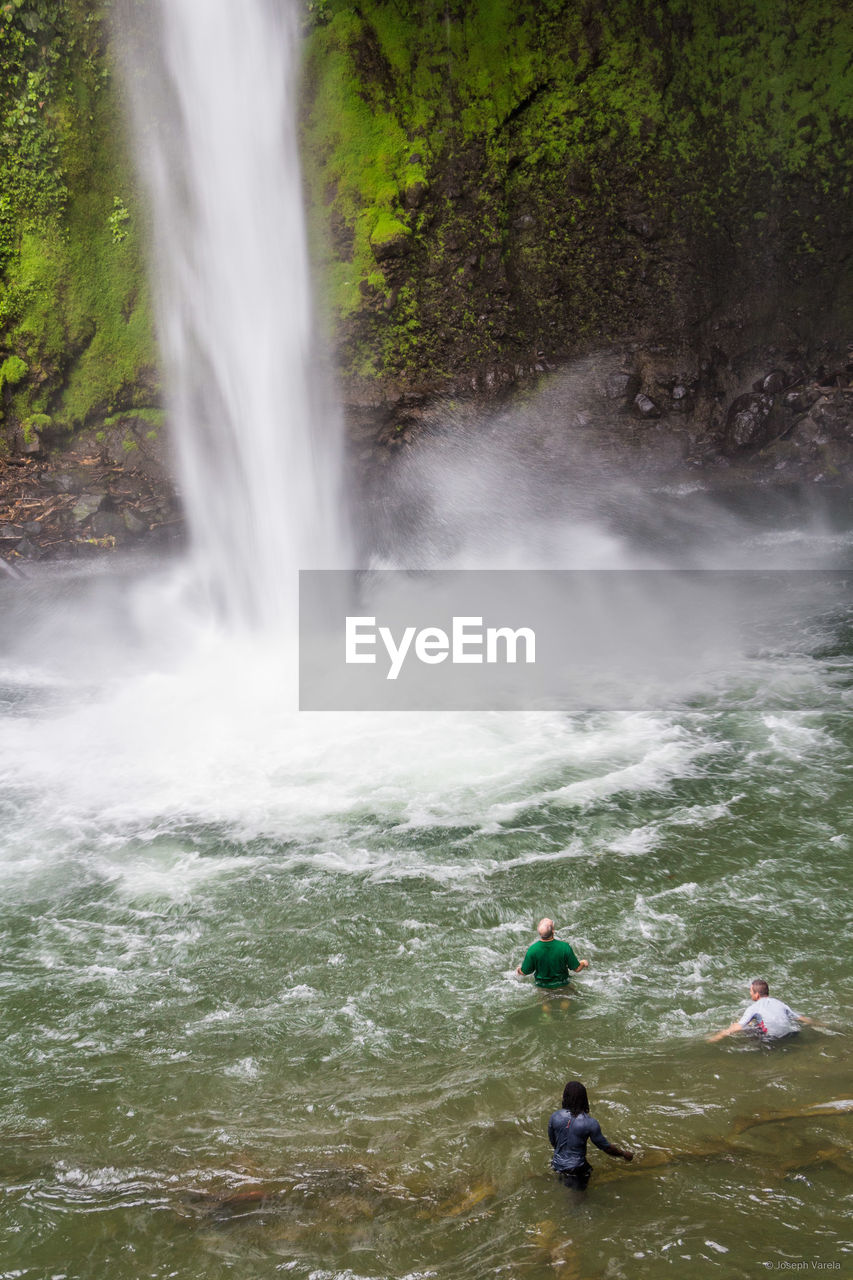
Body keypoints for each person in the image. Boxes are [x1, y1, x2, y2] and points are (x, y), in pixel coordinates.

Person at [548, 1080, 634, 1190]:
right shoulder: (590, 1123)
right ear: (584, 1099)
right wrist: (623, 1154)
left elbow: (553, 1141)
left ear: (565, 1096)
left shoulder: (554, 1116)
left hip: (556, 1164)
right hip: (577, 1169)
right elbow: (606, 1148)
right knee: (579, 1200)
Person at [707, 979, 813, 1042]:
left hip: (772, 1040)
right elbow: (800, 1018)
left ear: (756, 994)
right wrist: (819, 1024)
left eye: (751, 991)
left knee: (745, 1027)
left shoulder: (753, 1008)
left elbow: (738, 1027)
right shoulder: (779, 1003)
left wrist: (716, 1037)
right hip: (791, 1035)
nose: (750, 993)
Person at [516, 918, 589, 988]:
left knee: (543, 1000)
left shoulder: (532, 950)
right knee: (566, 1000)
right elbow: (577, 969)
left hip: (542, 986)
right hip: (563, 984)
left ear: (539, 932)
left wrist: (519, 970)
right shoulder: (564, 947)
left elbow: (524, 972)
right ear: (553, 931)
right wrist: (583, 963)